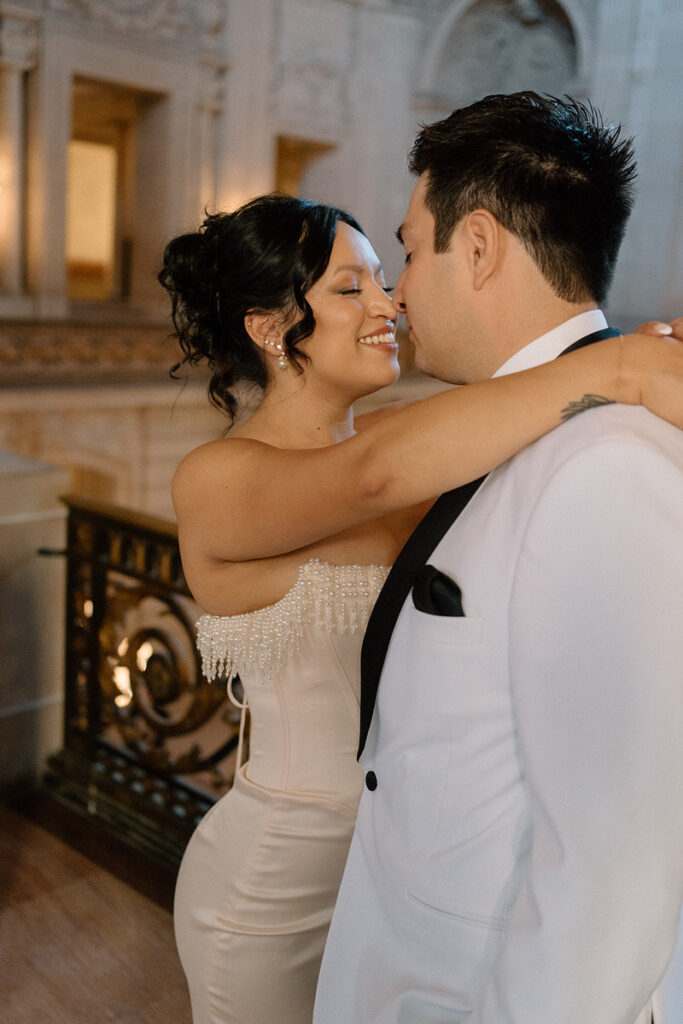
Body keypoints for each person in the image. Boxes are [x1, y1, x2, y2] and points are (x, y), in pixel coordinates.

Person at [159, 189, 683, 1024]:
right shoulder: (217, 479)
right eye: (350, 288)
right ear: (267, 326)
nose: (387, 303)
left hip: (398, 877)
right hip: (274, 882)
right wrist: (616, 366)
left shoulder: (411, 437)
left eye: (384, 276)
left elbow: (494, 426)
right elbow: (373, 482)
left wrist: (642, 358)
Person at [313, 93, 683, 1024]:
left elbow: (610, 876)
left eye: (407, 248)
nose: (395, 292)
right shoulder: (500, 421)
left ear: (476, 247)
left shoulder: (606, 467)